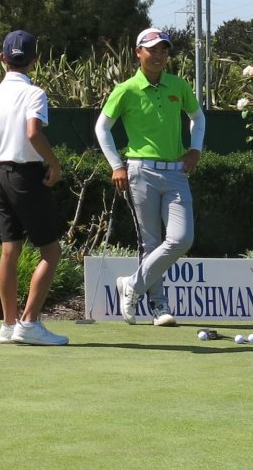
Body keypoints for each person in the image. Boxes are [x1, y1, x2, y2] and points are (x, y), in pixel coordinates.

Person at [0, 30, 69, 346]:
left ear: (3, 59)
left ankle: (8, 326)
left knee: (10, 250)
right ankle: (29, 323)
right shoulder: (35, 94)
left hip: (3, 177)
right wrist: (55, 164)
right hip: (27, 177)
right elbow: (34, 134)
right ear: (34, 59)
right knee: (51, 250)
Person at [94, 27, 206, 327]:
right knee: (151, 241)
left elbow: (198, 117)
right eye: (152, 49)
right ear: (138, 53)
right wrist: (116, 164)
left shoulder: (178, 85)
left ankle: (132, 284)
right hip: (139, 170)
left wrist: (194, 149)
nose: (158, 55)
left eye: (163, 50)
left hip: (176, 173)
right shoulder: (126, 89)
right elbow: (101, 127)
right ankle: (159, 308)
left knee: (182, 239)